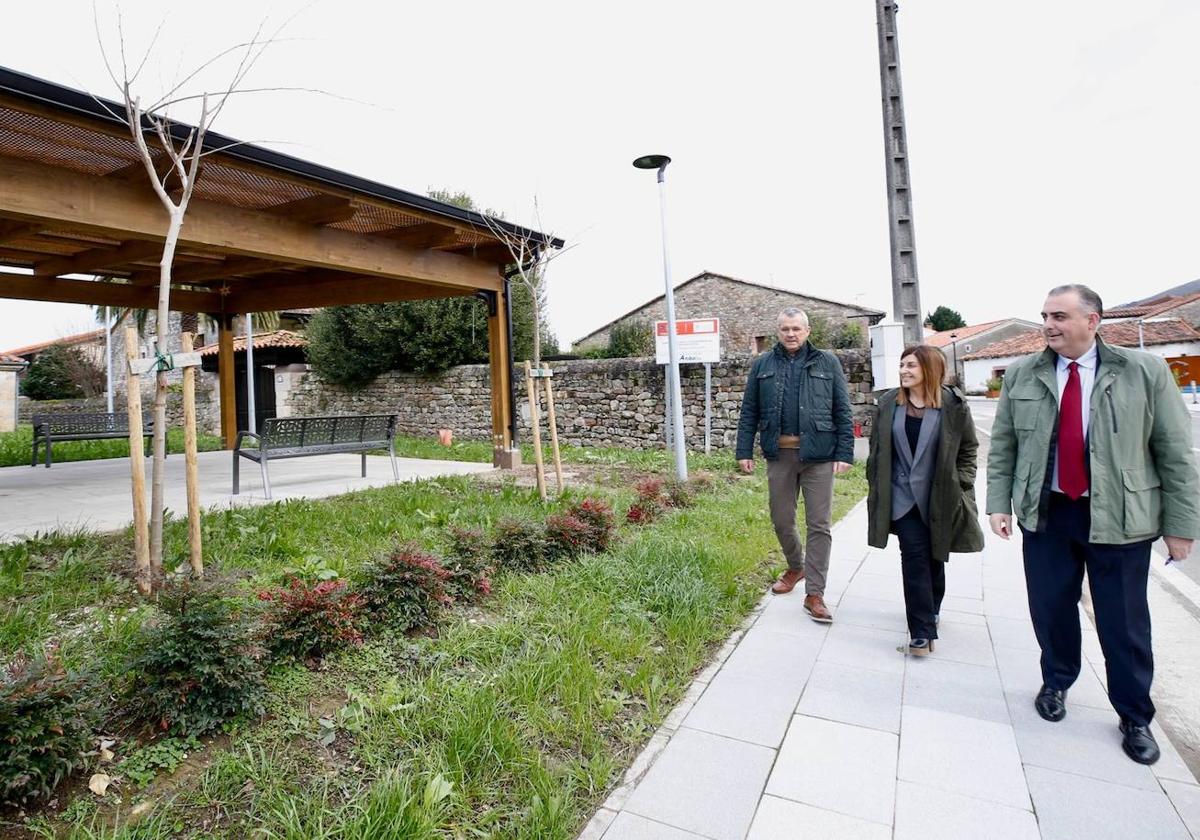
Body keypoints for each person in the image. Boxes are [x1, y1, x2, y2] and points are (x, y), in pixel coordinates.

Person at [986, 284, 1200, 765]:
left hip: (1121, 517)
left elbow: (1173, 452)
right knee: (1051, 608)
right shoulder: (1024, 373)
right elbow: (1003, 447)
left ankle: (1134, 715)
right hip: (1048, 512)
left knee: (1123, 620)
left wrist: (1181, 525)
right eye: (1044, 315)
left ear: (1093, 321)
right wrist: (999, 503)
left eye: (1059, 316)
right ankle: (1057, 682)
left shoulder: (1142, 371)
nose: (1048, 325)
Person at [735, 307, 854, 623]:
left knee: (819, 524)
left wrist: (845, 452)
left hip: (819, 455)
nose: (791, 334)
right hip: (780, 455)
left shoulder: (827, 362)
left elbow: (842, 409)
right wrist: (743, 450)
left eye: (796, 329)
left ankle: (815, 593)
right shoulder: (762, 364)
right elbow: (749, 411)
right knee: (781, 518)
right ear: (778, 331)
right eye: (785, 329)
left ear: (807, 331)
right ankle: (795, 565)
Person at [866, 345, 983, 655]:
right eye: (902, 365)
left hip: (940, 496)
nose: (904, 370)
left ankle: (932, 607)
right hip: (902, 496)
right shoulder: (889, 403)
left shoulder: (952, 405)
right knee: (914, 557)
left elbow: (969, 449)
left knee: (935, 556)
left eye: (912, 366)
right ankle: (921, 632)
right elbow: (878, 449)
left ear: (929, 370)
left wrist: (962, 483)